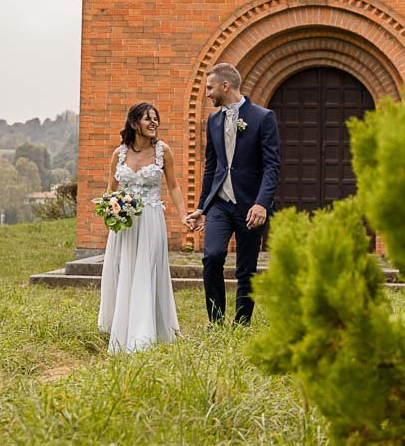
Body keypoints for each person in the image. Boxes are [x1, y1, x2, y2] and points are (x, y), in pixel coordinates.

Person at [185, 63, 280, 325]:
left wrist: (262, 203)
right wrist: (203, 207)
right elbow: (212, 166)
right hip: (220, 204)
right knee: (212, 256)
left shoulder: (263, 117)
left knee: (246, 269)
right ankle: (216, 323)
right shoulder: (213, 120)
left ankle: (241, 324)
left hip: (251, 205)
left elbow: (272, 166)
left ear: (225, 86)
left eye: (210, 87)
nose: (207, 94)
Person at [98, 102, 184, 354]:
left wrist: (183, 215)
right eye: (148, 119)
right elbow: (110, 190)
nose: (154, 123)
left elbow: (174, 186)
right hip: (124, 224)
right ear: (135, 123)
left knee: (147, 269)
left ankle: (145, 333)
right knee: (123, 269)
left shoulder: (163, 151)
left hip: (150, 220)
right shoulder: (119, 154)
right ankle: (121, 326)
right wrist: (109, 210)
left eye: (156, 118)